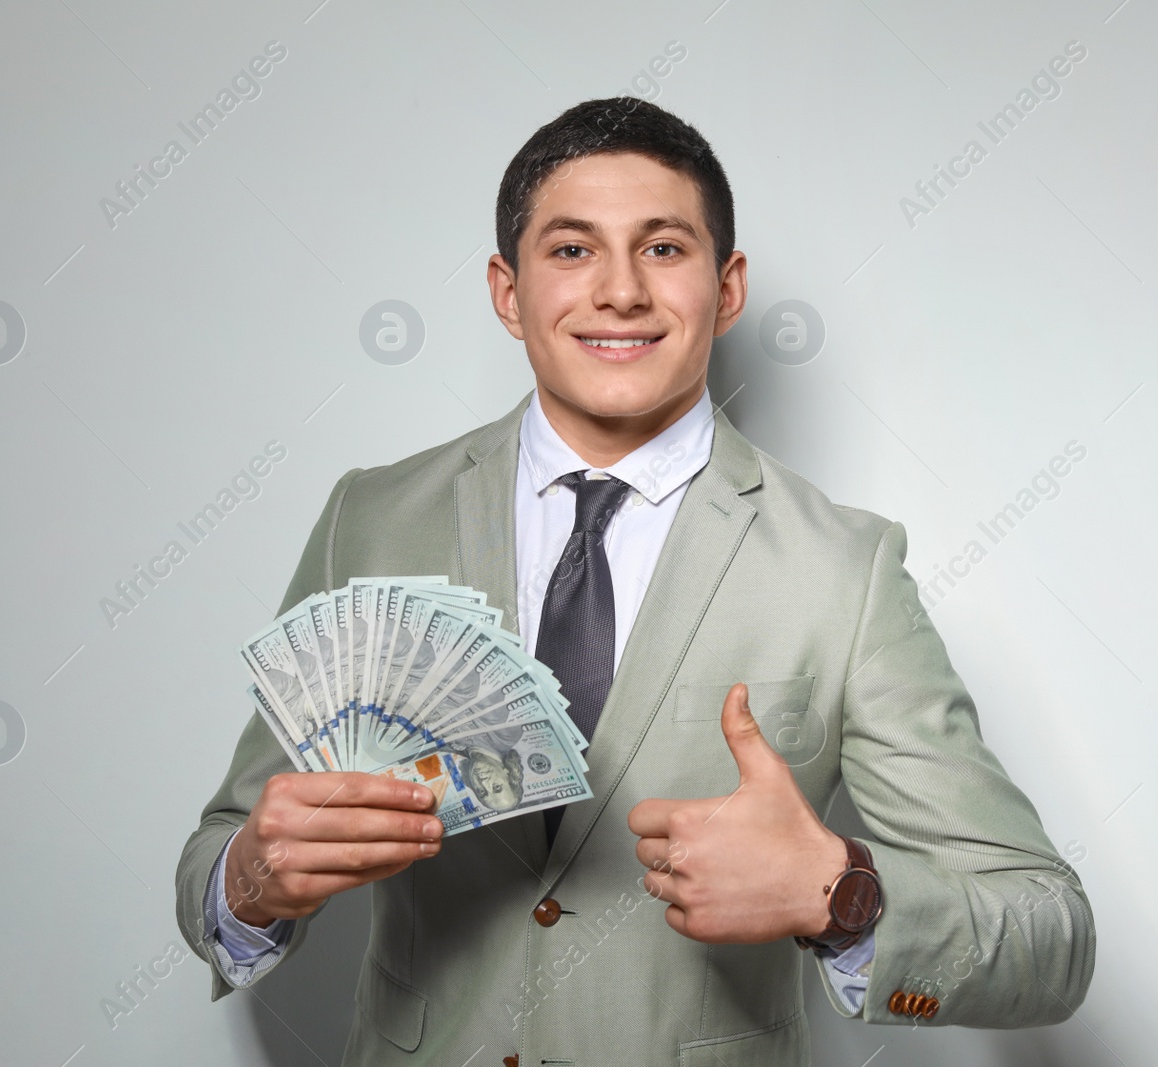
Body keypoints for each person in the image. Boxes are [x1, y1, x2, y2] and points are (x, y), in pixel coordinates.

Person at [176, 96, 1095, 1066]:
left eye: (663, 248)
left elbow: (1049, 933)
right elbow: (226, 847)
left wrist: (839, 889)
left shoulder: (844, 568)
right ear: (507, 289)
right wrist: (248, 879)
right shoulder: (373, 514)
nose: (619, 290)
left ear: (727, 287)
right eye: (571, 250)